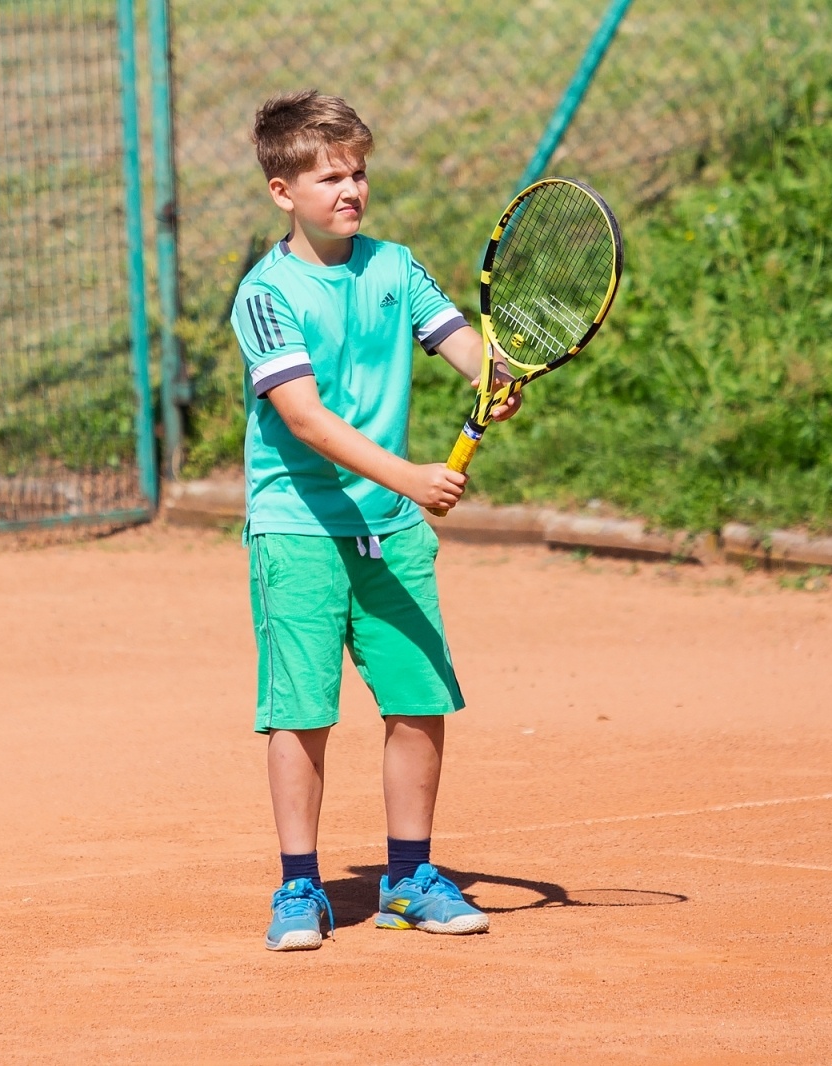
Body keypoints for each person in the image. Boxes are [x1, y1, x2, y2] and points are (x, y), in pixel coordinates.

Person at [231, 89, 520, 952]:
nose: (350, 189)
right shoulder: (265, 293)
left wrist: (491, 373)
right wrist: (412, 477)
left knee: (418, 700)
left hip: (390, 531)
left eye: (358, 172)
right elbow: (307, 420)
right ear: (284, 190)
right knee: (301, 712)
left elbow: (459, 341)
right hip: (297, 526)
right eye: (329, 177)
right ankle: (299, 890)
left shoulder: (396, 266)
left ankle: (408, 879)